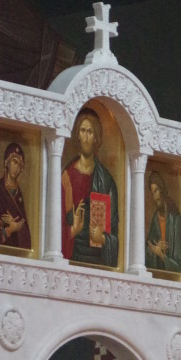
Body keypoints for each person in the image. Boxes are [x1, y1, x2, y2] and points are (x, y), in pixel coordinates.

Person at [61, 107, 119, 268]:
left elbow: (114, 233)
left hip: (97, 260)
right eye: (82, 131)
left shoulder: (106, 181)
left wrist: (103, 238)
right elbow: (56, 225)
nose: (86, 137)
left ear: (96, 138)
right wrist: (74, 228)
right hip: (72, 256)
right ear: (77, 135)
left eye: (90, 132)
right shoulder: (67, 176)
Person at [0, 141, 31, 249]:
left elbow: (25, 231)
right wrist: (9, 229)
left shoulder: (18, 195)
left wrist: (16, 226)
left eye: (20, 165)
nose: (17, 168)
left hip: (15, 249)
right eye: (15, 162)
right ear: (7, 161)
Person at [145, 170, 181, 274]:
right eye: (152, 193)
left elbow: (180, 266)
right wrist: (155, 249)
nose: (155, 197)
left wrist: (161, 255)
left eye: (156, 191)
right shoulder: (155, 219)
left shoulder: (175, 218)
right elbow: (147, 249)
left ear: (162, 190)